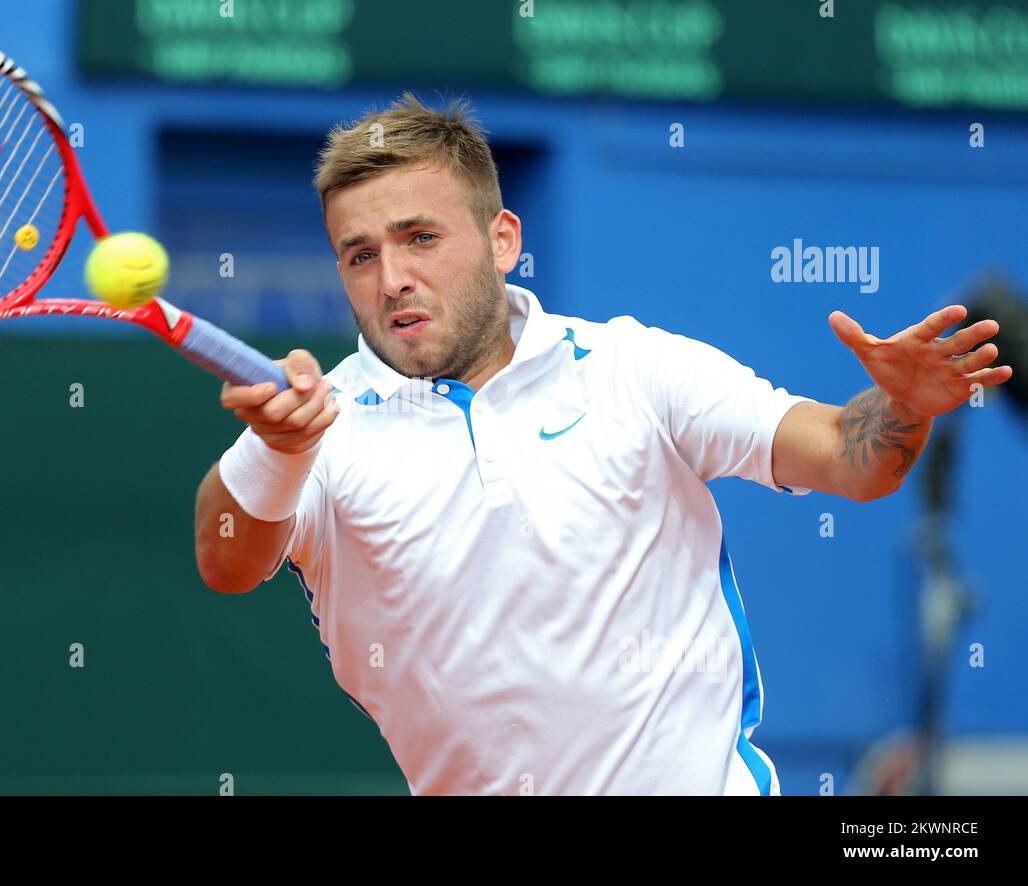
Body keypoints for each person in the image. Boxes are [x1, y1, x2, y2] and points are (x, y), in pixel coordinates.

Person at [193, 93, 1014, 795]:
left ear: (503, 240)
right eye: (359, 254)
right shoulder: (319, 426)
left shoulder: (633, 368)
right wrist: (278, 450)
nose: (391, 278)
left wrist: (903, 400)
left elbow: (849, 455)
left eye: (420, 238)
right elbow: (225, 561)